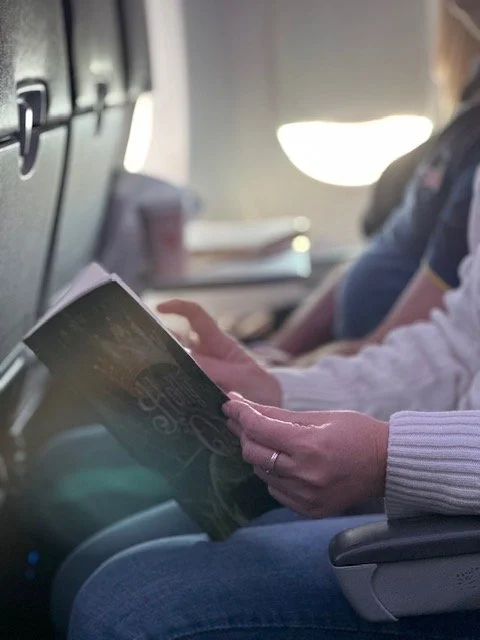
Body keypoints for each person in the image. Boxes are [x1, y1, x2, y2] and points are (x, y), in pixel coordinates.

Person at [65, 138, 480, 640]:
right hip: (443, 488)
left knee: (123, 609)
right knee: (83, 570)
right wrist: (280, 389)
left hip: (456, 522)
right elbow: (458, 349)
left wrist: (388, 458)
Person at [254, 0, 480, 366]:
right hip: (354, 349)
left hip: (379, 357)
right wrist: (277, 349)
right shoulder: (470, 99)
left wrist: (293, 374)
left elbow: (404, 348)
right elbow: (381, 247)